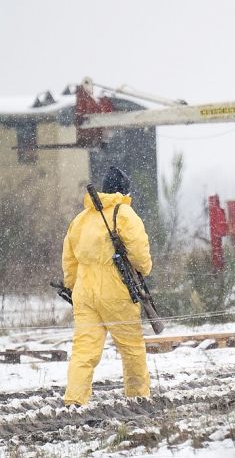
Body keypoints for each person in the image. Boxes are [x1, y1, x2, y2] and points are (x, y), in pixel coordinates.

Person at [63, 166, 153, 406]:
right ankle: (137, 398)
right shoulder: (124, 214)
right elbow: (140, 256)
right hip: (116, 290)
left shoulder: (80, 219)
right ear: (124, 189)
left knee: (84, 349)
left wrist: (72, 287)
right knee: (131, 347)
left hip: (84, 291)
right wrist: (144, 270)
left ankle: (74, 400)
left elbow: (69, 260)